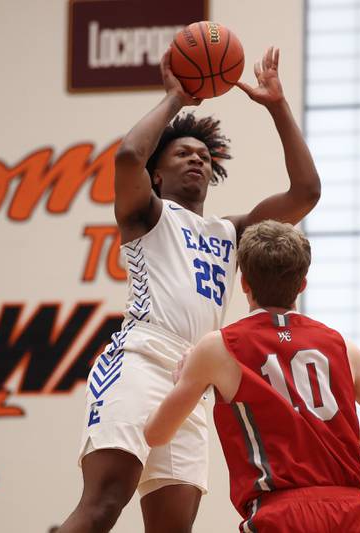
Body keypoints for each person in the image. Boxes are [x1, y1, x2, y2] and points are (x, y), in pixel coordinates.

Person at [57, 46, 321, 533]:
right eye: (183, 152)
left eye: (204, 155)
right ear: (158, 174)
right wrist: (176, 97)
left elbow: (306, 192)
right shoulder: (147, 215)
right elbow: (128, 154)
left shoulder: (231, 230)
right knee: (103, 504)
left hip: (192, 381)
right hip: (140, 356)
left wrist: (278, 106)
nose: (197, 158)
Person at [145, 220, 360, 533]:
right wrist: (329, 427)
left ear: (243, 283)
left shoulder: (217, 347)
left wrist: (189, 381)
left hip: (280, 514)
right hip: (353, 515)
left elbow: (156, 434)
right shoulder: (343, 347)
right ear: (303, 283)